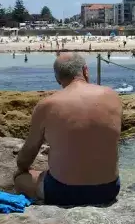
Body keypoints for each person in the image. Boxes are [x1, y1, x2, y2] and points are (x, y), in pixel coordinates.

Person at [13, 52, 121, 207]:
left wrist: (22, 169)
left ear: (57, 79)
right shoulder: (112, 96)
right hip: (109, 190)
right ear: (85, 70)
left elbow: (25, 158)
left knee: (20, 178)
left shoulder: (47, 105)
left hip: (64, 193)